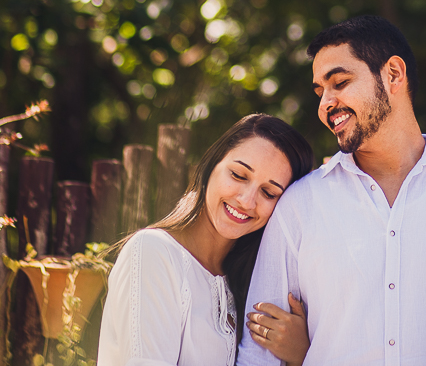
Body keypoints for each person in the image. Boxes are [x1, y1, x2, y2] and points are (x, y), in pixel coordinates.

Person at [238, 16, 426, 366]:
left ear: (394, 75)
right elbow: (258, 353)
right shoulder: (299, 206)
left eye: (339, 83)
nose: (325, 104)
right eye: (320, 91)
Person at [99, 114, 316, 366]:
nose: (247, 201)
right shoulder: (153, 253)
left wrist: (302, 356)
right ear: (213, 164)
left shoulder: (248, 284)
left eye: (268, 192)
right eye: (238, 175)